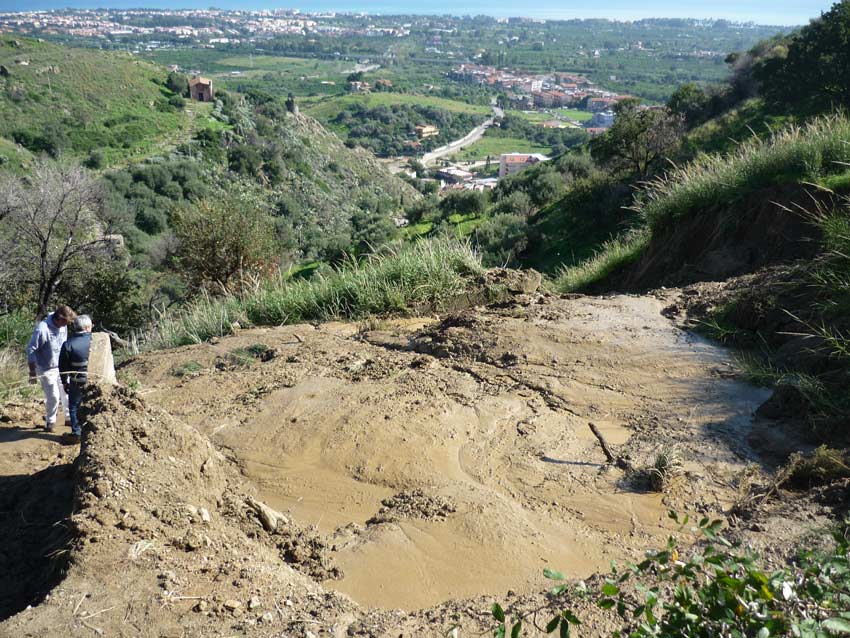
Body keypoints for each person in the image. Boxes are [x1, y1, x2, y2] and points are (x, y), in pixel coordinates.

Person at [26, 305, 76, 432]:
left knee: (66, 392)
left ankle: (69, 418)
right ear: (59, 318)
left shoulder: (63, 326)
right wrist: (32, 372)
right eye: (65, 322)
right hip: (46, 368)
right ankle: (50, 422)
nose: (66, 325)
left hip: (62, 366)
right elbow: (31, 349)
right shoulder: (42, 329)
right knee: (53, 396)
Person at [59, 314, 93, 443]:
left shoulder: (68, 344)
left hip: (76, 382)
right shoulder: (96, 341)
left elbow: (63, 367)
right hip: (96, 381)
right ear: (88, 327)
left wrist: (64, 382)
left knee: (73, 407)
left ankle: (77, 433)